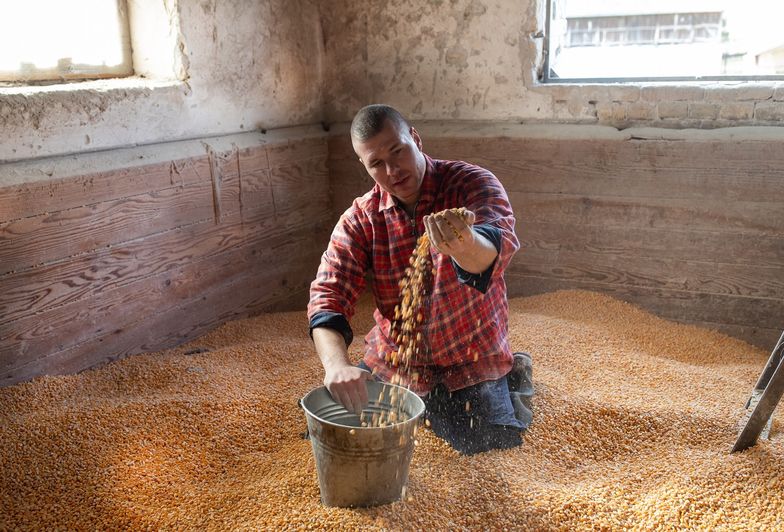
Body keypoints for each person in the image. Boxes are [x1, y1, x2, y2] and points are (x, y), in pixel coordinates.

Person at [307, 104, 533, 455]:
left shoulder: (471, 184)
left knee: (489, 444)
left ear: (415, 138)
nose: (392, 170)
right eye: (376, 163)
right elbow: (327, 295)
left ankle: (513, 374)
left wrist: (464, 243)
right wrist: (337, 366)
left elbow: (494, 253)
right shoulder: (361, 219)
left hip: (472, 356)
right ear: (364, 166)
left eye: (397, 151)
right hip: (398, 359)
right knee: (339, 438)